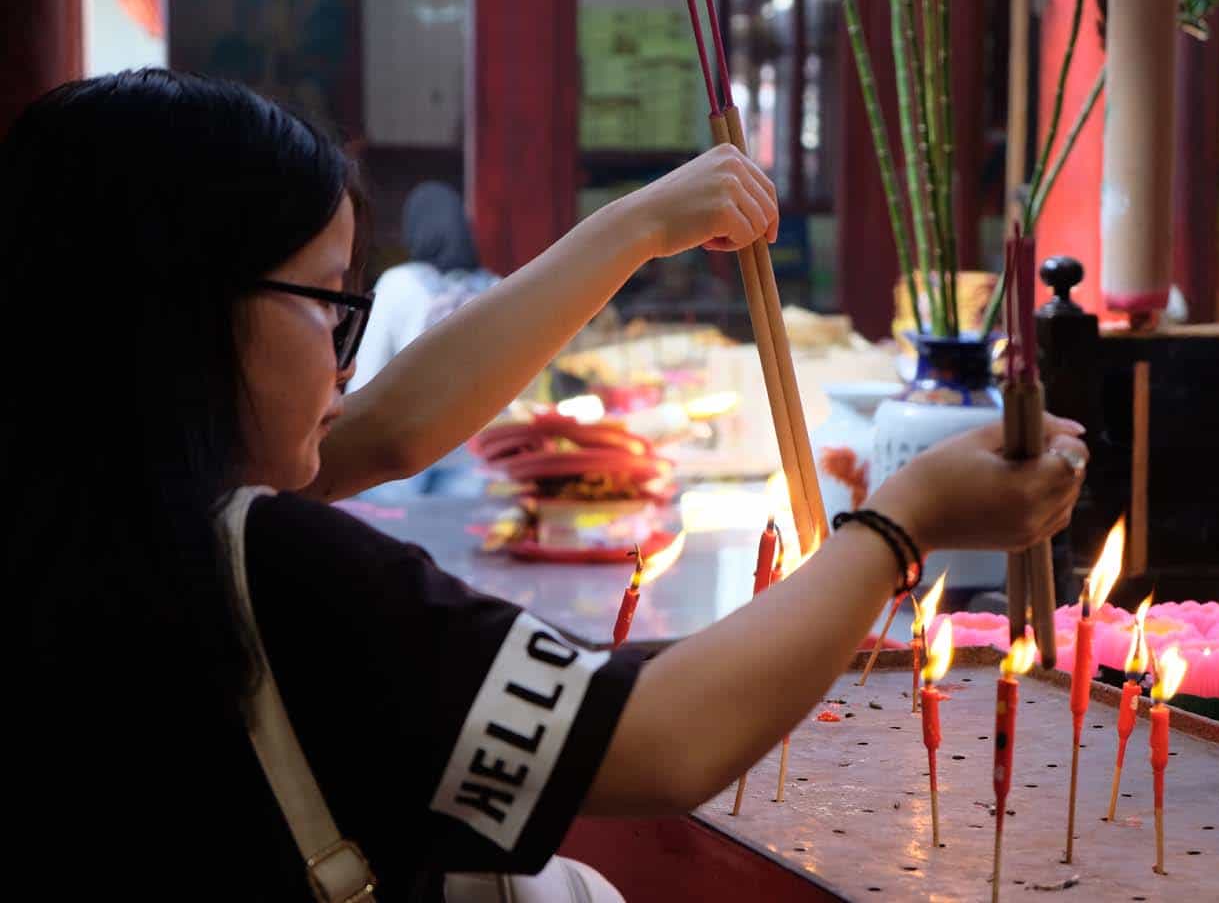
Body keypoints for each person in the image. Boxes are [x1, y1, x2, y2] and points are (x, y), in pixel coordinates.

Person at [11, 70, 1087, 901]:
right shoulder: (267, 570)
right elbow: (659, 741)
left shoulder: (79, 516)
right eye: (328, 299)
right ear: (187, 312)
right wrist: (904, 527)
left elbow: (380, 431)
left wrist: (643, 226)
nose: (346, 357)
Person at [347, 181, 497, 500]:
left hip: (399, 461)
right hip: (473, 463)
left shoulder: (399, 283)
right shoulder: (496, 287)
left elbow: (365, 378)